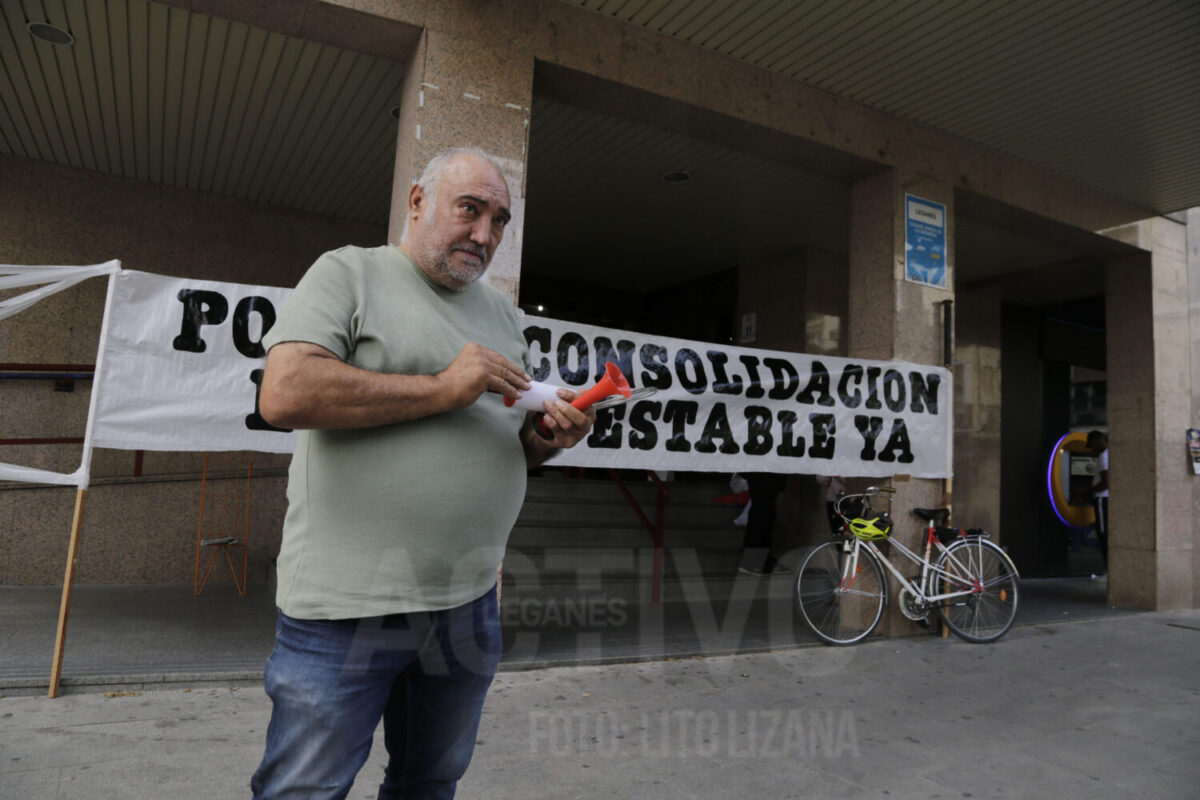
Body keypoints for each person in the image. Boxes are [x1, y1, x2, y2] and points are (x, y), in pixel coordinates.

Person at [250, 148, 595, 800]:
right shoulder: (349, 273)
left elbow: (510, 446)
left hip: (466, 606)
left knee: (430, 782)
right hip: (347, 609)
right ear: (417, 202)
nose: (485, 235)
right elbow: (284, 393)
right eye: (470, 210)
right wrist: (443, 387)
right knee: (304, 791)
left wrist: (550, 439)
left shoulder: (500, 316)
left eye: (499, 220)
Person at [737, 473, 789, 575]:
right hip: (763, 473)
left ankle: (763, 560)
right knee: (762, 512)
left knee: (765, 512)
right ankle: (752, 562)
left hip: (766, 473)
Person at [1087, 430, 1109, 575]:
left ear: (1097, 441)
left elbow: (1105, 482)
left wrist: (1087, 490)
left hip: (1102, 498)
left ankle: (1108, 571)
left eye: (1091, 445)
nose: (1092, 449)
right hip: (1108, 498)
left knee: (1103, 534)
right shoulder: (1110, 453)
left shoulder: (1103, 457)